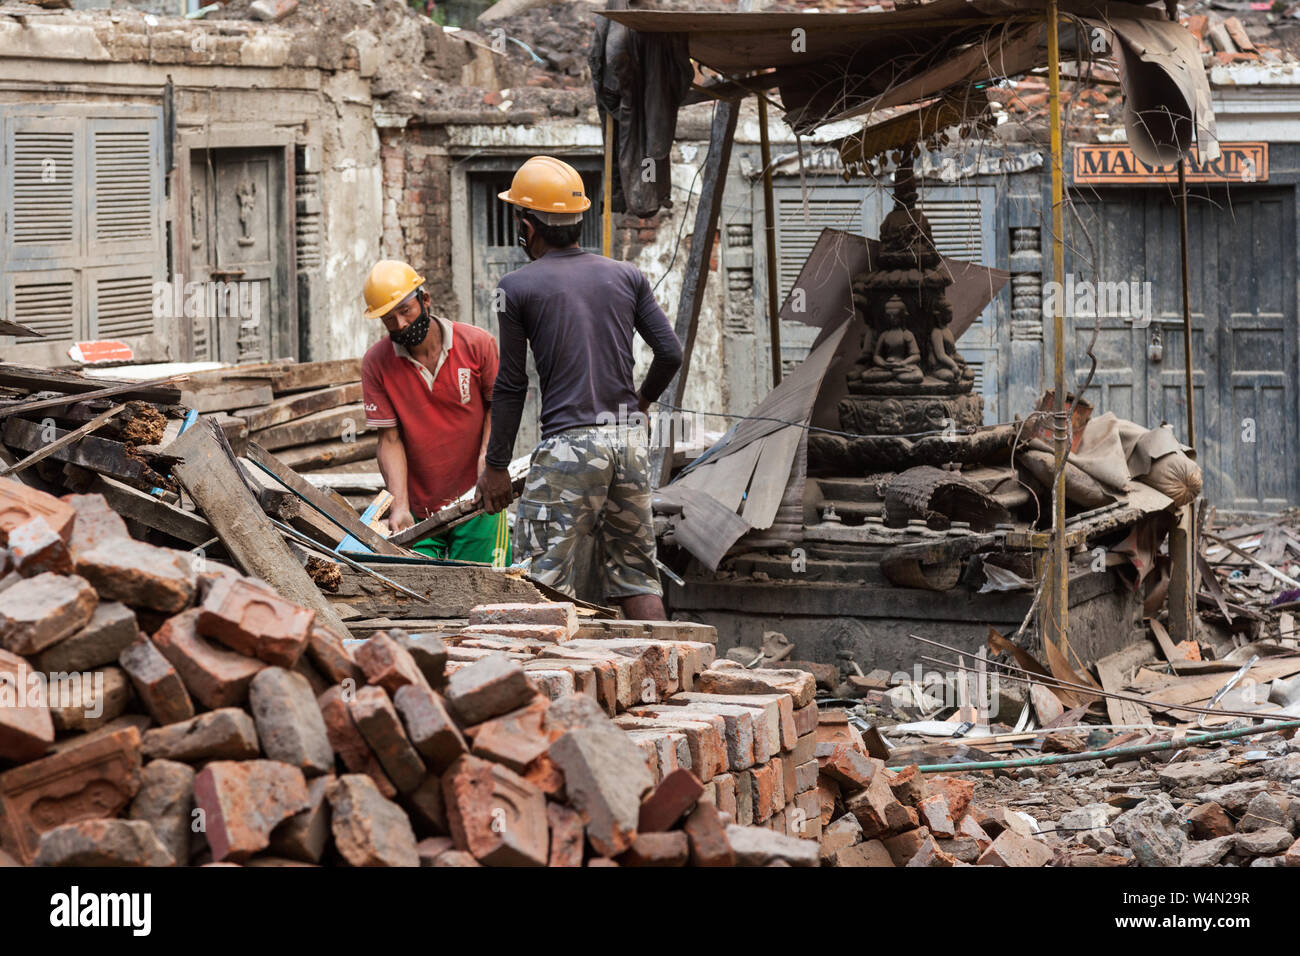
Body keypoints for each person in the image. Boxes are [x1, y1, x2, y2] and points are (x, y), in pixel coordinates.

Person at [475, 155, 683, 620]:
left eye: (519, 218)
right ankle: (672, 675)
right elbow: (670, 352)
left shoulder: (516, 286)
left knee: (539, 579)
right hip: (629, 444)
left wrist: (496, 466)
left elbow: (511, 383)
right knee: (636, 574)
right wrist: (641, 405)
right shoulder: (626, 275)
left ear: (528, 225)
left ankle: (547, 689)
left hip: (570, 447)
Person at [360, 259, 510, 565]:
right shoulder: (376, 363)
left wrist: (488, 460)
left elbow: (499, 409)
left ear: (424, 300)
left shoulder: (478, 345)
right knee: (418, 597)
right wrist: (399, 504)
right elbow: (389, 440)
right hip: (418, 511)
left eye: (406, 311)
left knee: (486, 593)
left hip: (480, 502)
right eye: (389, 319)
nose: (400, 324)